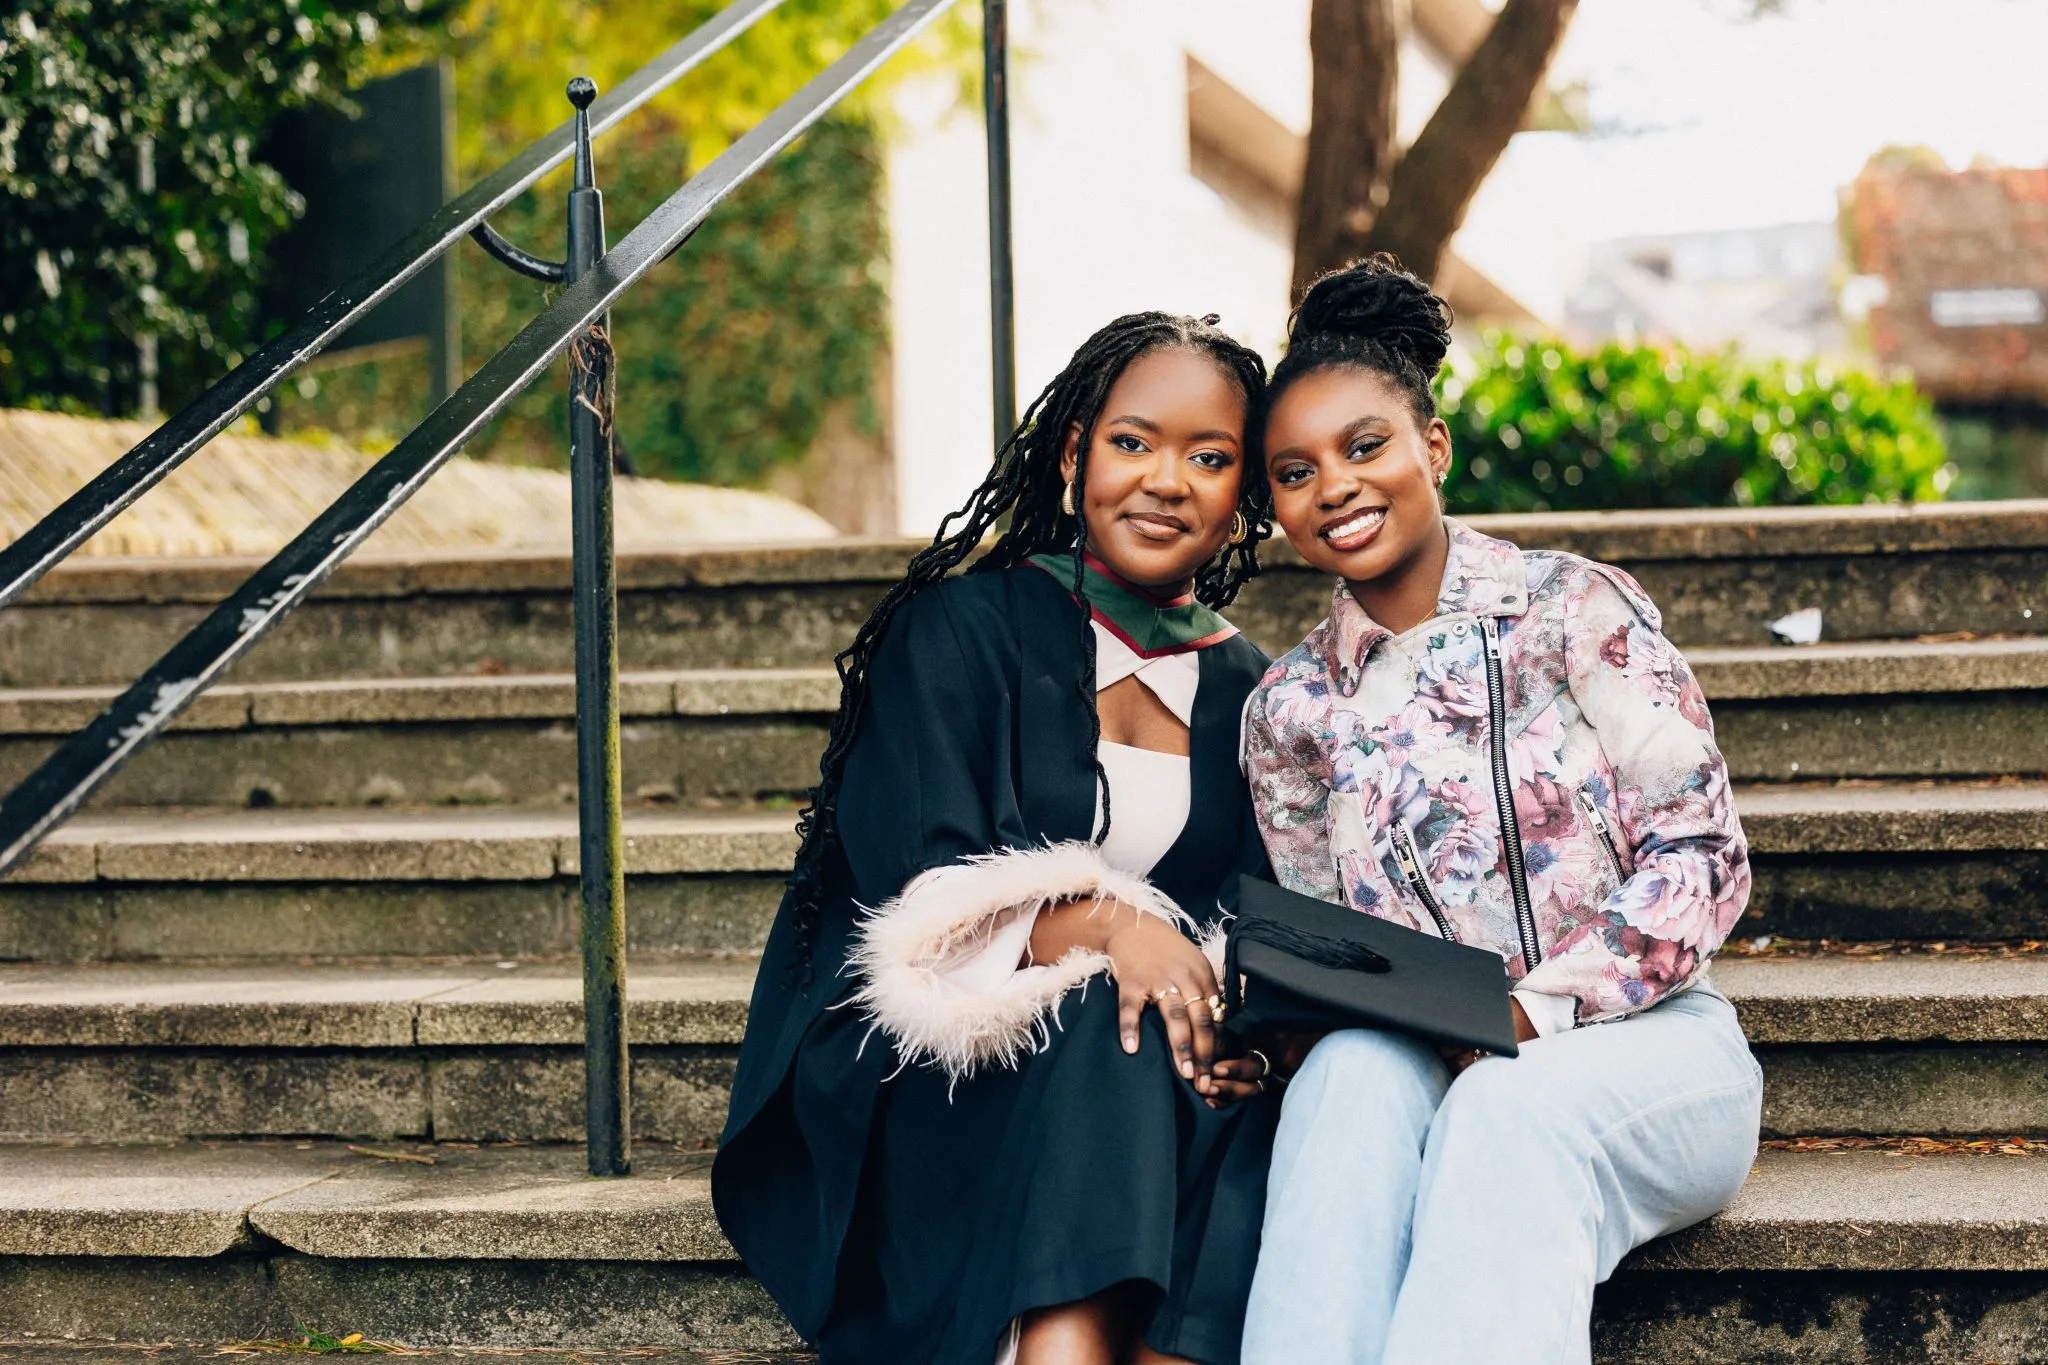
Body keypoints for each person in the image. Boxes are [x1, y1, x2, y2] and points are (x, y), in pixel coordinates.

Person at [714, 311, 1285, 1365]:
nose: (1165, 480)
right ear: (1074, 453)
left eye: (1209, 459)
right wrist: (1112, 927)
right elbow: (915, 892)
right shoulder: (960, 632)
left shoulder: (1253, 690)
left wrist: (1236, 1028)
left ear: (1242, 492)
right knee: (1099, 1029)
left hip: (1159, 1066)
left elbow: (1261, 913)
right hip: (940, 1056)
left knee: (1245, 1095)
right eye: (1132, 442)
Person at [1232, 256, 1763, 1365]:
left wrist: (1526, 1014)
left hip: (1649, 1049)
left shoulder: (1572, 609)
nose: (1332, 484)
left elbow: (1700, 860)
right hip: (1421, 1058)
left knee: (1502, 1108)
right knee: (1339, 1081)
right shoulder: (1287, 707)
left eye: (1363, 445)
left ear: (1432, 447)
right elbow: (1337, 954)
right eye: (1293, 470)